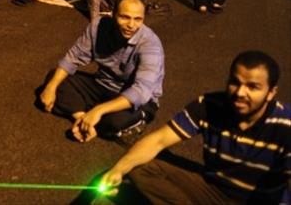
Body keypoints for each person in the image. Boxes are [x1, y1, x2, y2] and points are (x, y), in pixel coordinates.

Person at [101, 51, 290, 204]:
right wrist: (118, 170)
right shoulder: (209, 105)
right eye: (235, 82)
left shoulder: (286, 124)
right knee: (139, 166)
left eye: (253, 87)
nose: (240, 92)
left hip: (259, 200)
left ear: (271, 92)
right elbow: (158, 140)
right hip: (214, 190)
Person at [39, 0, 164, 142]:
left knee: (115, 122)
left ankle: (100, 116)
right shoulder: (98, 26)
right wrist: (51, 87)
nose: (131, 25)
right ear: (113, 14)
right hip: (103, 85)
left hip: (137, 98)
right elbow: (73, 57)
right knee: (54, 78)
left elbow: (141, 91)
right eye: (125, 17)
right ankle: (83, 119)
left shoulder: (150, 44)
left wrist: (99, 110)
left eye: (138, 19)